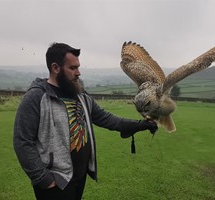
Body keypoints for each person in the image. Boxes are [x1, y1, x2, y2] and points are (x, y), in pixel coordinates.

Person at [13, 42, 158, 200]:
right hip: (55, 181)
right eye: (73, 68)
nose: (78, 73)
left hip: (79, 177)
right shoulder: (35, 98)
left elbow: (106, 118)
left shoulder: (80, 95)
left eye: (78, 67)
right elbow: (23, 141)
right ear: (55, 68)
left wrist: (140, 125)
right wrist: (43, 179)